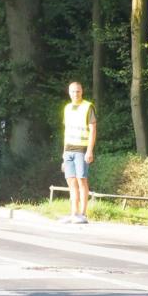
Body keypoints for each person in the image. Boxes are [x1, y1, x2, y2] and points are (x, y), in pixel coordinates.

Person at [61, 81, 96, 224]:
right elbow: (66, 131)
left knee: (82, 180)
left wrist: (89, 150)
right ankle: (73, 213)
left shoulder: (88, 106)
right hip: (68, 149)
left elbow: (93, 130)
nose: (76, 94)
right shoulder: (67, 108)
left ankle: (83, 214)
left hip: (81, 149)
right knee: (71, 182)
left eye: (78, 91)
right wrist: (63, 154)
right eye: (73, 91)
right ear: (69, 92)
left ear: (82, 92)